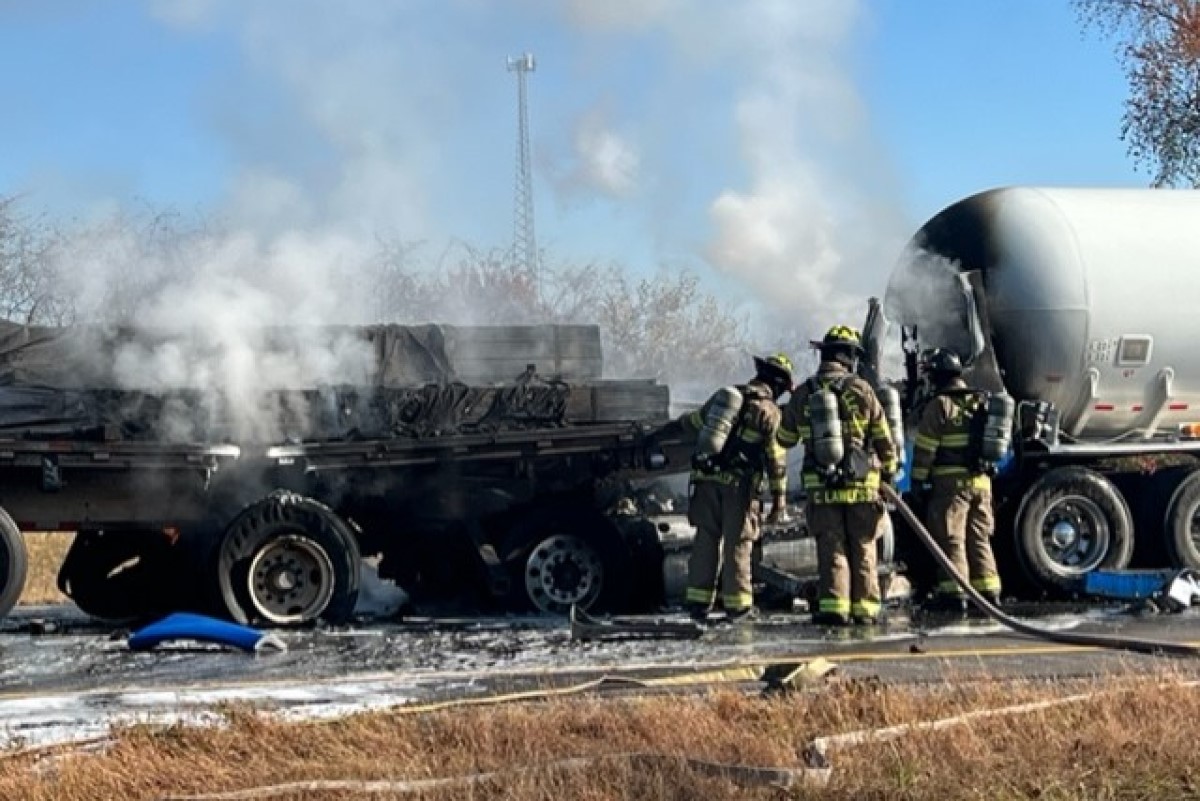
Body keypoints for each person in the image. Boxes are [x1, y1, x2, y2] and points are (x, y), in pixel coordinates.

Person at [779, 325, 898, 626]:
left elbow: (784, 437)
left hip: (822, 488)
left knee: (832, 548)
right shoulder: (862, 390)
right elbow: (884, 438)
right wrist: (890, 472)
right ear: (850, 358)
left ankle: (834, 608)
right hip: (862, 486)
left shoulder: (806, 392)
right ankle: (866, 611)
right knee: (863, 547)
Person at [678, 353, 793, 623]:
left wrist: (665, 429)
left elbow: (694, 423)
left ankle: (698, 602)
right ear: (777, 386)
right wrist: (779, 498)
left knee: (705, 539)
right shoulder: (770, 412)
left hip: (705, 481)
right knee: (737, 545)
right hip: (738, 489)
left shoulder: (726, 395)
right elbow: (776, 459)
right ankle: (738, 606)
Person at [909, 347, 1001, 614]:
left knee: (952, 540)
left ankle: (955, 595)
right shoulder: (980, 402)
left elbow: (925, 450)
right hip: (982, 484)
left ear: (936, 377)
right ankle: (989, 592)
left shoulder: (940, 405)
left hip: (951, 487)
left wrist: (917, 482)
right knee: (979, 538)